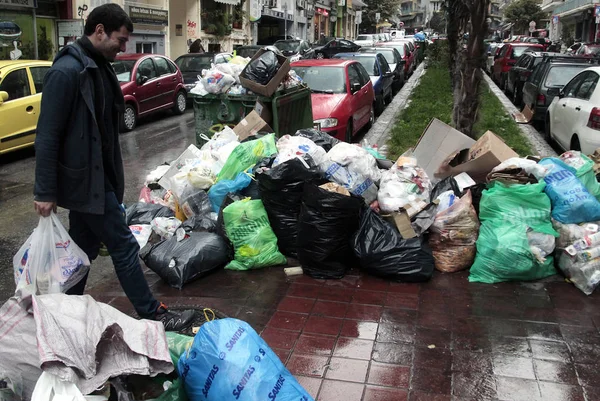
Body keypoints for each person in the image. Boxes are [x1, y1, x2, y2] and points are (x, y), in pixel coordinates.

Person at [33, 3, 194, 332]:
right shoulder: (66, 72)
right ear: (99, 31)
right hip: (85, 181)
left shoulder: (98, 66)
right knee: (122, 244)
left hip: (98, 177)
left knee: (83, 248)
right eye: (120, 40)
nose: (124, 48)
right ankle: (152, 314)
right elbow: (47, 136)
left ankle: (65, 312)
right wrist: (45, 190)